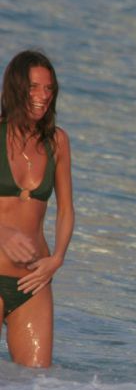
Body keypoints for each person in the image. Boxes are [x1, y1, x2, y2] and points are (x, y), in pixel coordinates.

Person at [0, 50, 74, 367]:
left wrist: (57, 259)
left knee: (39, 385)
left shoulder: (57, 142)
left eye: (49, 88)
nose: (43, 96)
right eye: (34, 87)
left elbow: (66, 209)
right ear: (16, 88)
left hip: (34, 283)